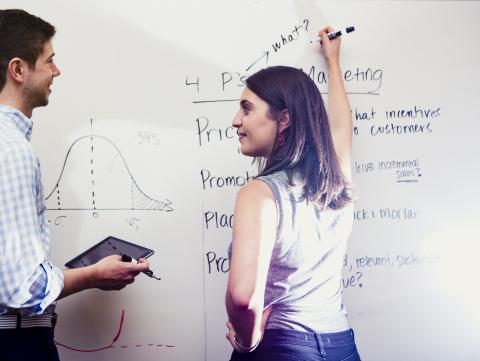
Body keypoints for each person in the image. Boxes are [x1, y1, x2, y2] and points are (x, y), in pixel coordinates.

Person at [0, 9, 149, 361]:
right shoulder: (11, 151)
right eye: (49, 60)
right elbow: (22, 288)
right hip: (15, 345)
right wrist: (94, 274)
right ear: (18, 70)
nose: (57, 71)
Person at [225, 27, 361, 361]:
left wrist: (247, 340)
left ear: (283, 118)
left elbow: (243, 298)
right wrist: (334, 62)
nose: (235, 121)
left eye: (246, 108)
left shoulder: (259, 194)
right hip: (342, 345)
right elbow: (343, 126)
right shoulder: (337, 180)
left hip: (282, 348)